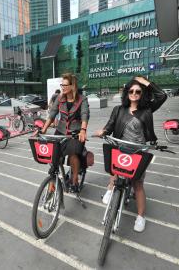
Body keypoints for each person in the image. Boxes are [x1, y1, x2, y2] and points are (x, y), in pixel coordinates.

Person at [94, 76, 167, 232]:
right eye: (131, 91)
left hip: (138, 150)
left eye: (138, 91)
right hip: (120, 147)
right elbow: (109, 126)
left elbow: (162, 96)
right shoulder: (118, 109)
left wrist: (144, 81)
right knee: (114, 171)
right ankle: (110, 188)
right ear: (127, 92)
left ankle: (140, 217)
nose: (134, 93)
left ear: (142, 93)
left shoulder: (147, 110)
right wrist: (103, 131)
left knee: (138, 184)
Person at [36, 73, 89, 192]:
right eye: (62, 84)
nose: (63, 87)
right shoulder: (60, 98)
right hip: (60, 130)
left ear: (72, 86)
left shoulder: (82, 99)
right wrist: (44, 129)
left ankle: (75, 178)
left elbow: (85, 115)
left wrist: (83, 130)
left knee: (73, 153)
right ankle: (52, 180)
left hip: (75, 132)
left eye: (65, 85)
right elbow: (52, 114)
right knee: (54, 155)